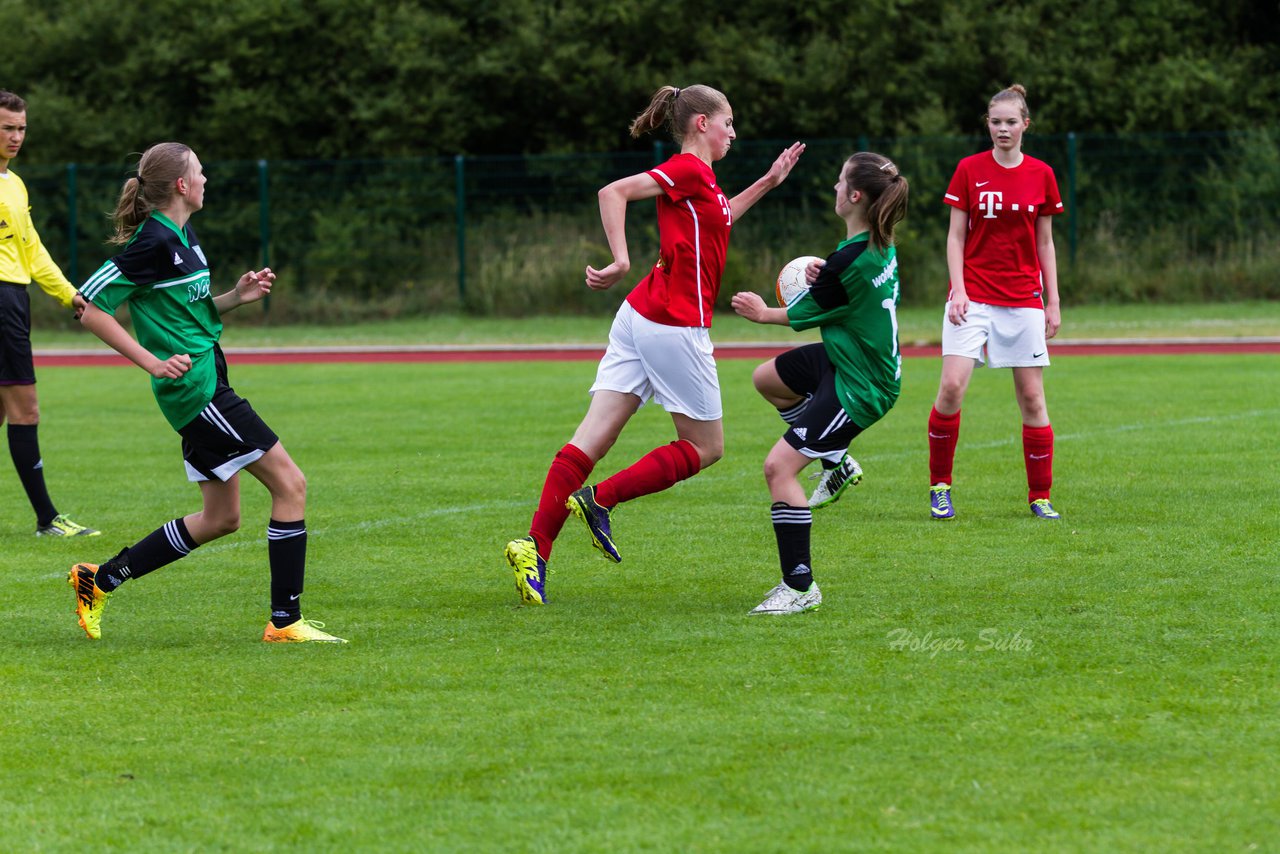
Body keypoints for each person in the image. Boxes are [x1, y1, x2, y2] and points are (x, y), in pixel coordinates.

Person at [504, 84, 804, 605]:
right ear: (701, 125)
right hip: (673, 322)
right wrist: (619, 259)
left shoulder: (703, 180)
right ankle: (599, 501)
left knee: (590, 441)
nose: (734, 132)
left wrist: (769, 182)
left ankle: (533, 549)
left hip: (642, 315)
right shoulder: (688, 169)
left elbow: (722, 217)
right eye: (728, 122)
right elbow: (612, 192)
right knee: (706, 447)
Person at [67, 142, 344, 642]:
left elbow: (187, 315)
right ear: (181, 185)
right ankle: (286, 622)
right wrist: (152, 362)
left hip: (210, 379)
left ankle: (99, 578)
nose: (205, 179)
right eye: (199, 171)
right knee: (291, 485)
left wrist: (236, 297)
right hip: (197, 392)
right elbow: (86, 306)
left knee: (222, 518)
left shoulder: (184, 235)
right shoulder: (151, 241)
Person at [731, 152, 908, 614]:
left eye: (838, 181)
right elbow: (845, 290)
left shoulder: (847, 261)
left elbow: (797, 314)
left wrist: (758, 311)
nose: (832, 187)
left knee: (779, 468)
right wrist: (823, 275)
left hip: (861, 387)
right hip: (849, 360)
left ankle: (799, 587)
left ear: (854, 196)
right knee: (768, 379)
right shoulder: (878, 242)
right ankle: (836, 460)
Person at [927, 83, 1064, 521]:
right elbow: (954, 236)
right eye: (995, 122)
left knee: (1032, 399)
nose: (1002, 129)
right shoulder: (968, 169)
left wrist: (1052, 301)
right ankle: (940, 487)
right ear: (987, 125)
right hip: (973, 297)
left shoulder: (1041, 174)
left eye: (1011, 122)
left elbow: (1045, 242)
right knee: (951, 388)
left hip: (1024, 299)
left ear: (1026, 125)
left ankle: (1040, 496)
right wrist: (959, 289)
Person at [0, 90, 98, 537]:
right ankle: (46, 519)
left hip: (14, 300)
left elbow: (33, 250)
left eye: (20, 128)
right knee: (26, 410)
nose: (16, 136)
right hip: (2, 302)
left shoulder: (14, 184)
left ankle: (45, 518)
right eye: (7, 127)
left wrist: (68, 294)